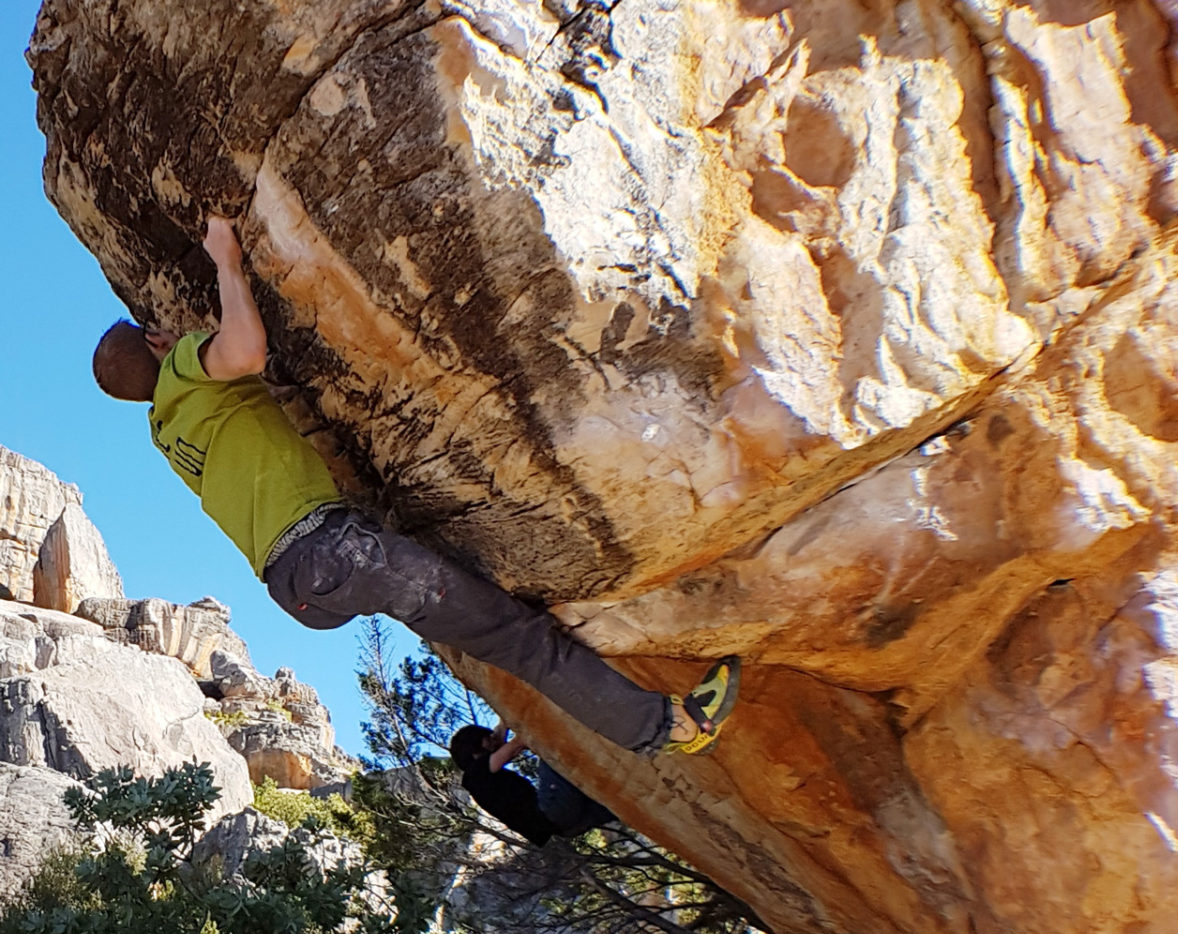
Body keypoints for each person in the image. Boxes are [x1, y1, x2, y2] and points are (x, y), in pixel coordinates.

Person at [92, 216, 740, 760]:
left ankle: (584, 718)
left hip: (298, 587)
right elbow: (248, 349)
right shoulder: (183, 366)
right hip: (335, 552)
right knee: (515, 635)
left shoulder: (166, 427)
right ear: (155, 341)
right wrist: (226, 259)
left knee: (474, 615)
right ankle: (669, 727)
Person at [449, 722, 613, 847]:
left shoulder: (482, 780)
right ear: (475, 749)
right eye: (487, 740)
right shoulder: (475, 774)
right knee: (551, 752)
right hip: (551, 811)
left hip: (563, 827)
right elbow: (515, 746)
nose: (493, 741)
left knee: (614, 802)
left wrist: (504, 721)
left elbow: (499, 740)